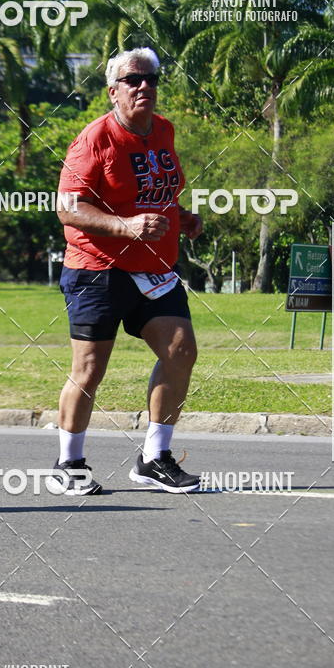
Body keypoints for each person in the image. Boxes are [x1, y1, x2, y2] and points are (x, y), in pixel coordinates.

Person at [48, 47, 203, 496]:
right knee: (90, 367)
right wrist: (126, 226)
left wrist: (183, 216)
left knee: (180, 350)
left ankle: (155, 458)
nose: (145, 87)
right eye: (134, 80)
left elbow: (158, 192)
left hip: (154, 269)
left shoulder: (164, 131)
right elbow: (68, 207)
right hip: (97, 269)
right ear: (113, 91)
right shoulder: (95, 138)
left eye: (152, 79)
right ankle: (68, 464)